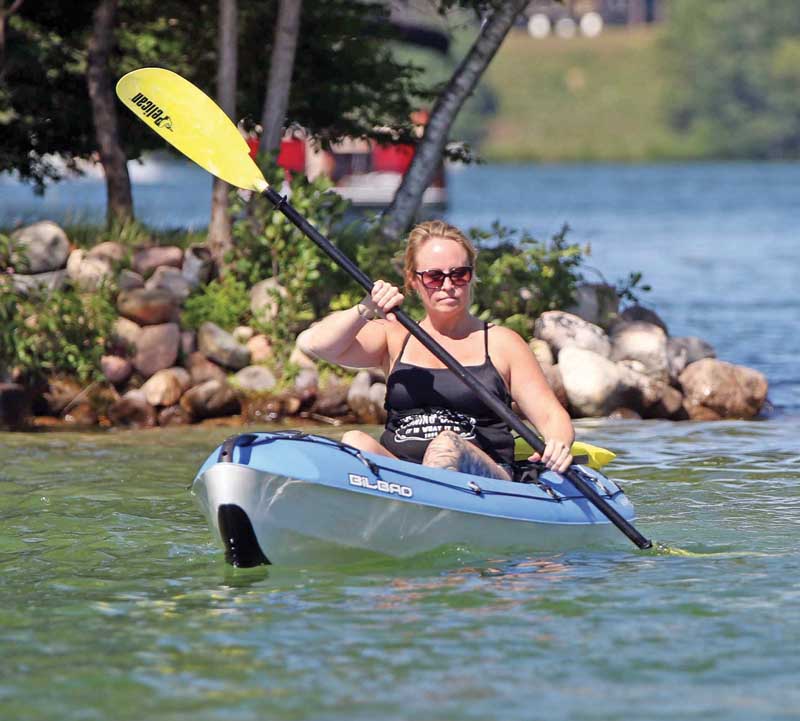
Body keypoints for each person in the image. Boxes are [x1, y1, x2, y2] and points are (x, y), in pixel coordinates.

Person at [296, 220, 574, 480]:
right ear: (413, 281)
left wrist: (558, 443)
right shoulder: (393, 335)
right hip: (402, 478)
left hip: (485, 480)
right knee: (354, 439)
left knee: (446, 445)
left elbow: (551, 417)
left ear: (472, 275)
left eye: (459, 274)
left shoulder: (502, 343)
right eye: (434, 277)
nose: (448, 286)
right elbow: (315, 343)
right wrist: (366, 307)